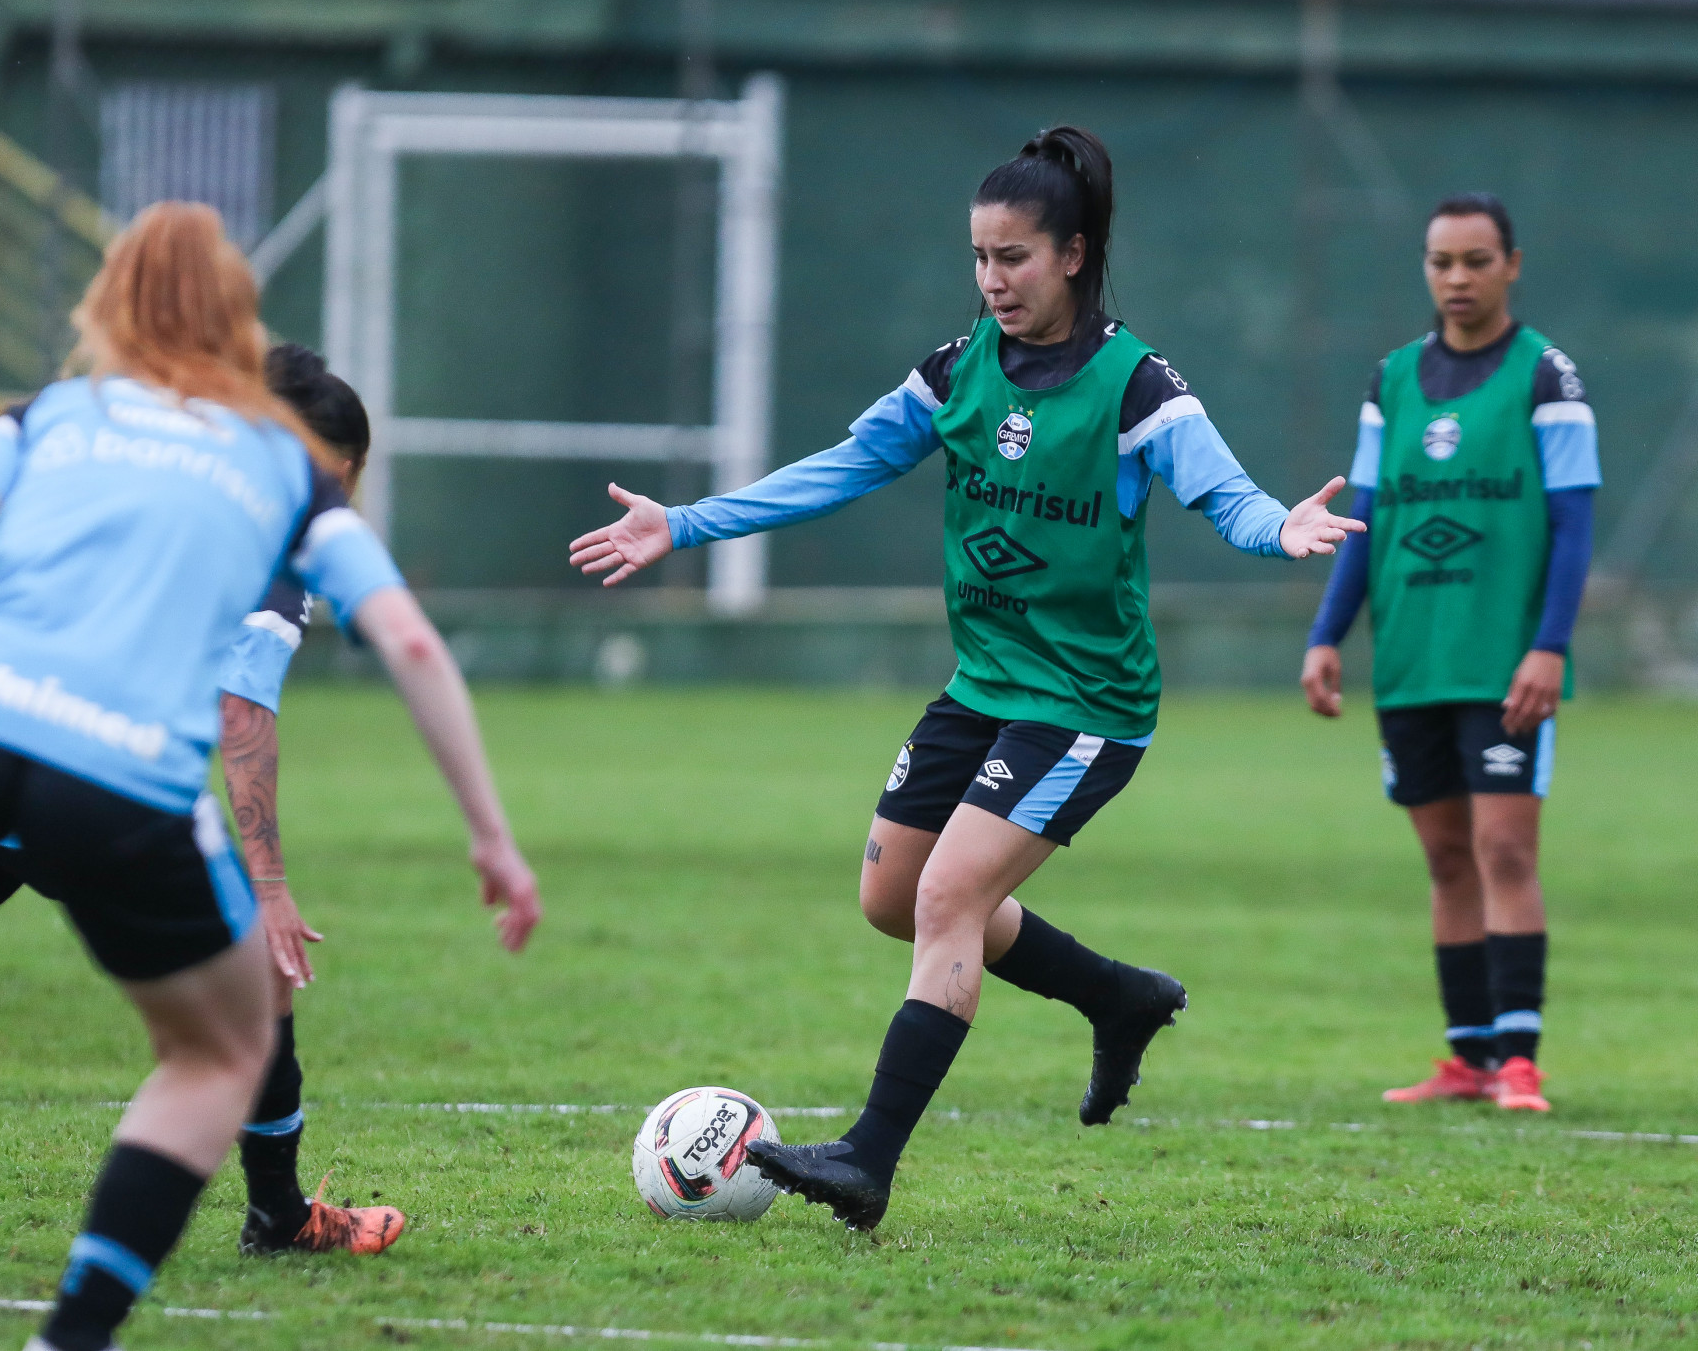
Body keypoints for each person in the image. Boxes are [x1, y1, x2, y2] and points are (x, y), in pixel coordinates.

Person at [0, 203, 540, 1351]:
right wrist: (480, 837)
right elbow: (347, 668)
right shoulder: (277, 480)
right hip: (112, 773)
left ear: (104, 304)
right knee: (232, 1034)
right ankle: (216, 1251)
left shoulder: (53, 415)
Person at [569, 127, 1361, 1230]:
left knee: (949, 895)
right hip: (983, 686)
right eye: (980, 257)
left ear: (1073, 254)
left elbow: (1221, 495)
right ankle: (1114, 995)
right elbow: (844, 467)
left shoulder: (1137, 389)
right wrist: (687, 523)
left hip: (1084, 708)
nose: (992, 279)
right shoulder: (956, 371)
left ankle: (867, 1160)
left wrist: (1282, 527)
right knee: (891, 899)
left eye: (1015, 257)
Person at [1301, 193, 1597, 1115]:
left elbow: (1573, 522)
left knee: (1505, 847)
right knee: (1444, 858)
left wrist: (1548, 648)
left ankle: (1520, 1060)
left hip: (1502, 662)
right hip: (1414, 661)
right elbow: (1369, 515)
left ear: (1512, 264)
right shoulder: (1393, 378)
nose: (1457, 278)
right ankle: (1468, 1056)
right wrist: (1326, 635)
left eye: (1476, 260)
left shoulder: (1548, 377)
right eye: (1441, 262)